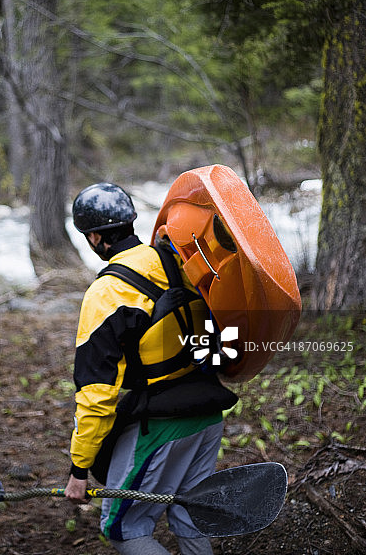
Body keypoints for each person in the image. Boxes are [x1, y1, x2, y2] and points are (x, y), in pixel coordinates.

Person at [64, 182, 238, 555]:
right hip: (208, 414)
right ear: (130, 223)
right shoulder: (179, 262)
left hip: (162, 425)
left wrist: (79, 470)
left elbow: (97, 395)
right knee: (190, 515)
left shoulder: (106, 293)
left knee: (124, 529)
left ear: (95, 238)